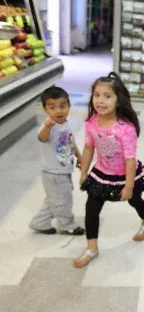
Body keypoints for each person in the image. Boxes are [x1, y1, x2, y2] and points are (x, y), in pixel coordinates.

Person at [75, 73, 144, 268]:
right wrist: (84, 172)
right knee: (91, 209)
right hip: (101, 174)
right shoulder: (91, 122)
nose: (100, 101)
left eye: (107, 96)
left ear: (118, 100)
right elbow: (88, 148)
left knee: (135, 200)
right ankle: (91, 247)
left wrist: (129, 186)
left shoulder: (125, 128)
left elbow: (130, 160)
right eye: (97, 95)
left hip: (126, 175)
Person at [29, 86, 85, 235]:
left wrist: (79, 156)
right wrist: (47, 126)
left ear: (69, 106)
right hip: (53, 172)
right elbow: (42, 137)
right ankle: (68, 225)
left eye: (62, 106)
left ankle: (39, 222)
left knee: (54, 199)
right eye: (52, 107)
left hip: (63, 169)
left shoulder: (65, 123)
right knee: (63, 200)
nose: (58, 111)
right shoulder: (49, 125)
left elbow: (70, 141)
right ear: (45, 109)